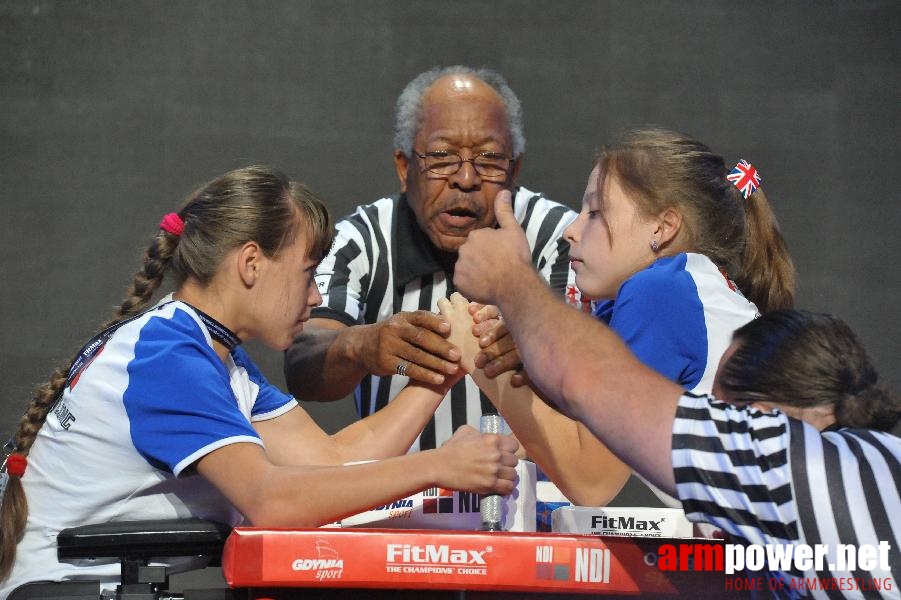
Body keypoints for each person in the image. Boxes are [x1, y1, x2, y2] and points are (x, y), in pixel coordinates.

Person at [0, 165, 519, 597]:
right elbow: (272, 502)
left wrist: (446, 367)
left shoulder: (212, 351)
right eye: (308, 272)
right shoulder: (169, 357)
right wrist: (439, 467)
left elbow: (333, 462)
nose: (316, 296)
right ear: (251, 263)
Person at [449, 190, 901, 594]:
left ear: (765, 415)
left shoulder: (779, 466)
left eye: (720, 413)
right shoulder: (879, 460)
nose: (572, 228)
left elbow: (592, 460)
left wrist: (507, 290)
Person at [462, 128, 795, 506]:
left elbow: (592, 479)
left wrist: (482, 356)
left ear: (663, 227)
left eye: (596, 212)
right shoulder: (682, 287)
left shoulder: (661, 291)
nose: (571, 230)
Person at [284, 65, 582, 452]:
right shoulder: (360, 239)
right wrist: (362, 345)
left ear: (515, 170)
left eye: (489, 159)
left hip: (537, 498)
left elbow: (601, 368)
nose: (466, 179)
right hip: (397, 503)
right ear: (405, 168)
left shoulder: (562, 238)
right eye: (442, 157)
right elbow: (303, 358)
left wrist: (541, 338)